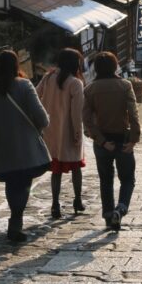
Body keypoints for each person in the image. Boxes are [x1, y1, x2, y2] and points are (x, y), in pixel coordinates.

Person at [0, 50, 50, 243]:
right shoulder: (24, 85)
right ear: (16, 66)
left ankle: (15, 220)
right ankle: (15, 222)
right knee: (23, 183)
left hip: (3, 146)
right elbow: (42, 118)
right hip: (26, 147)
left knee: (12, 183)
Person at [82, 51, 140, 230]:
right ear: (115, 66)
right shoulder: (125, 85)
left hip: (103, 141)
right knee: (128, 179)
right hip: (122, 138)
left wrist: (100, 140)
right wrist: (133, 139)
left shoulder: (90, 89)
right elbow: (133, 114)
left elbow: (87, 119)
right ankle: (121, 208)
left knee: (106, 180)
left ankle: (108, 215)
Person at [36, 48, 86, 219]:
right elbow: (76, 113)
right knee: (76, 168)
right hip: (69, 131)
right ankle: (77, 200)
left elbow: (35, 96)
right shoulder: (75, 83)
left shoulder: (48, 77)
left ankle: (55, 204)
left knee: (55, 170)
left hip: (50, 131)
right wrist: (78, 133)